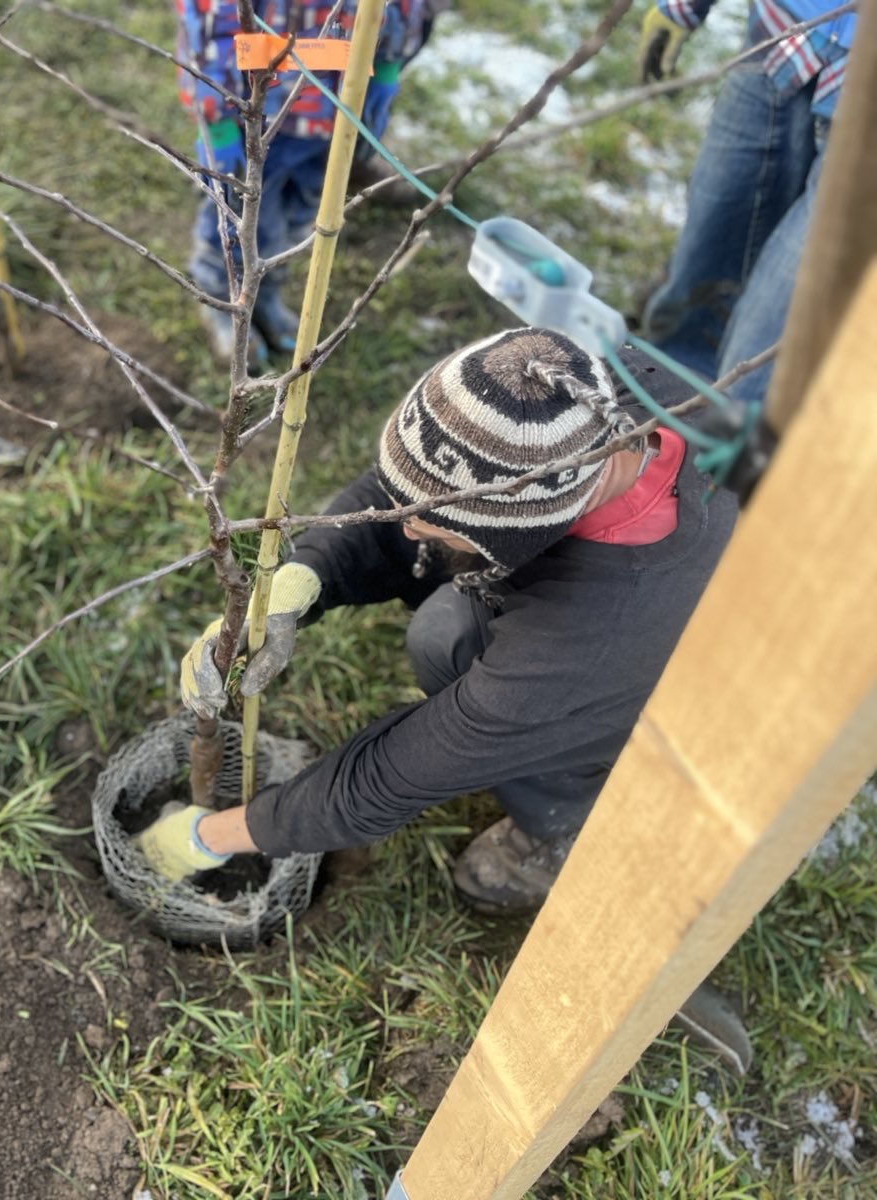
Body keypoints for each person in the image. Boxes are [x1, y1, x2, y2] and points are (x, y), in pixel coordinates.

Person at [138, 328, 737, 913]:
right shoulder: (567, 393)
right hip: (610, 616)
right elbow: (414, 493)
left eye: (429, 525)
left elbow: (392, 777)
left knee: (446, 639)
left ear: (516, 532)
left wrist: (209, 838)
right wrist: (300, 582)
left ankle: (559, 822)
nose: (404, 527)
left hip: (689, 692)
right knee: (447, 620)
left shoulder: (590, 639)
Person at [176, 0, 438, 364]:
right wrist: (216, 116)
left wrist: (390, 61)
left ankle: (266, 292)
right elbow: (208, 21)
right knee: (239, 219)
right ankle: (223, 299)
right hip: (258, 114)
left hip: (336, 111)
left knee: (303, 212)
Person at [637, 0, 857, 408]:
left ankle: (723, 450)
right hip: (785, 28)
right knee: (709, 251)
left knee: (770, 331)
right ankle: (660, 408)